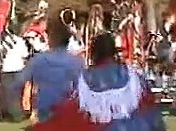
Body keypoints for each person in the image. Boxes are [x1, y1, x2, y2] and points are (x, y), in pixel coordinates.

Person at [31, 32, 166, 131]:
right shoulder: (134, 77)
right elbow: (149, 109)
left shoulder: (82, 81)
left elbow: (68, 111)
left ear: (94, 54)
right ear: (114, 52)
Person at [8, 8, 85, 123]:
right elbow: (81, 88)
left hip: (45, 108)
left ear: (51, 38)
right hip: (67, 108)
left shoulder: (39, 60)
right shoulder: (76, 62)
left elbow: (18, 82)